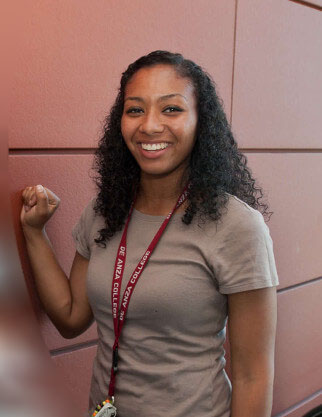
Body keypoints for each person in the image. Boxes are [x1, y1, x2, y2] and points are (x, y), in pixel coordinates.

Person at [20, 50, 279, 417]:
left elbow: (254, 376)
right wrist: (33, 232)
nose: (150, 126)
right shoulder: (104, 211)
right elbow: (70, 317)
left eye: (171, 109)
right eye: (135, 109)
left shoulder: (236, 226)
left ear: (201, 121)